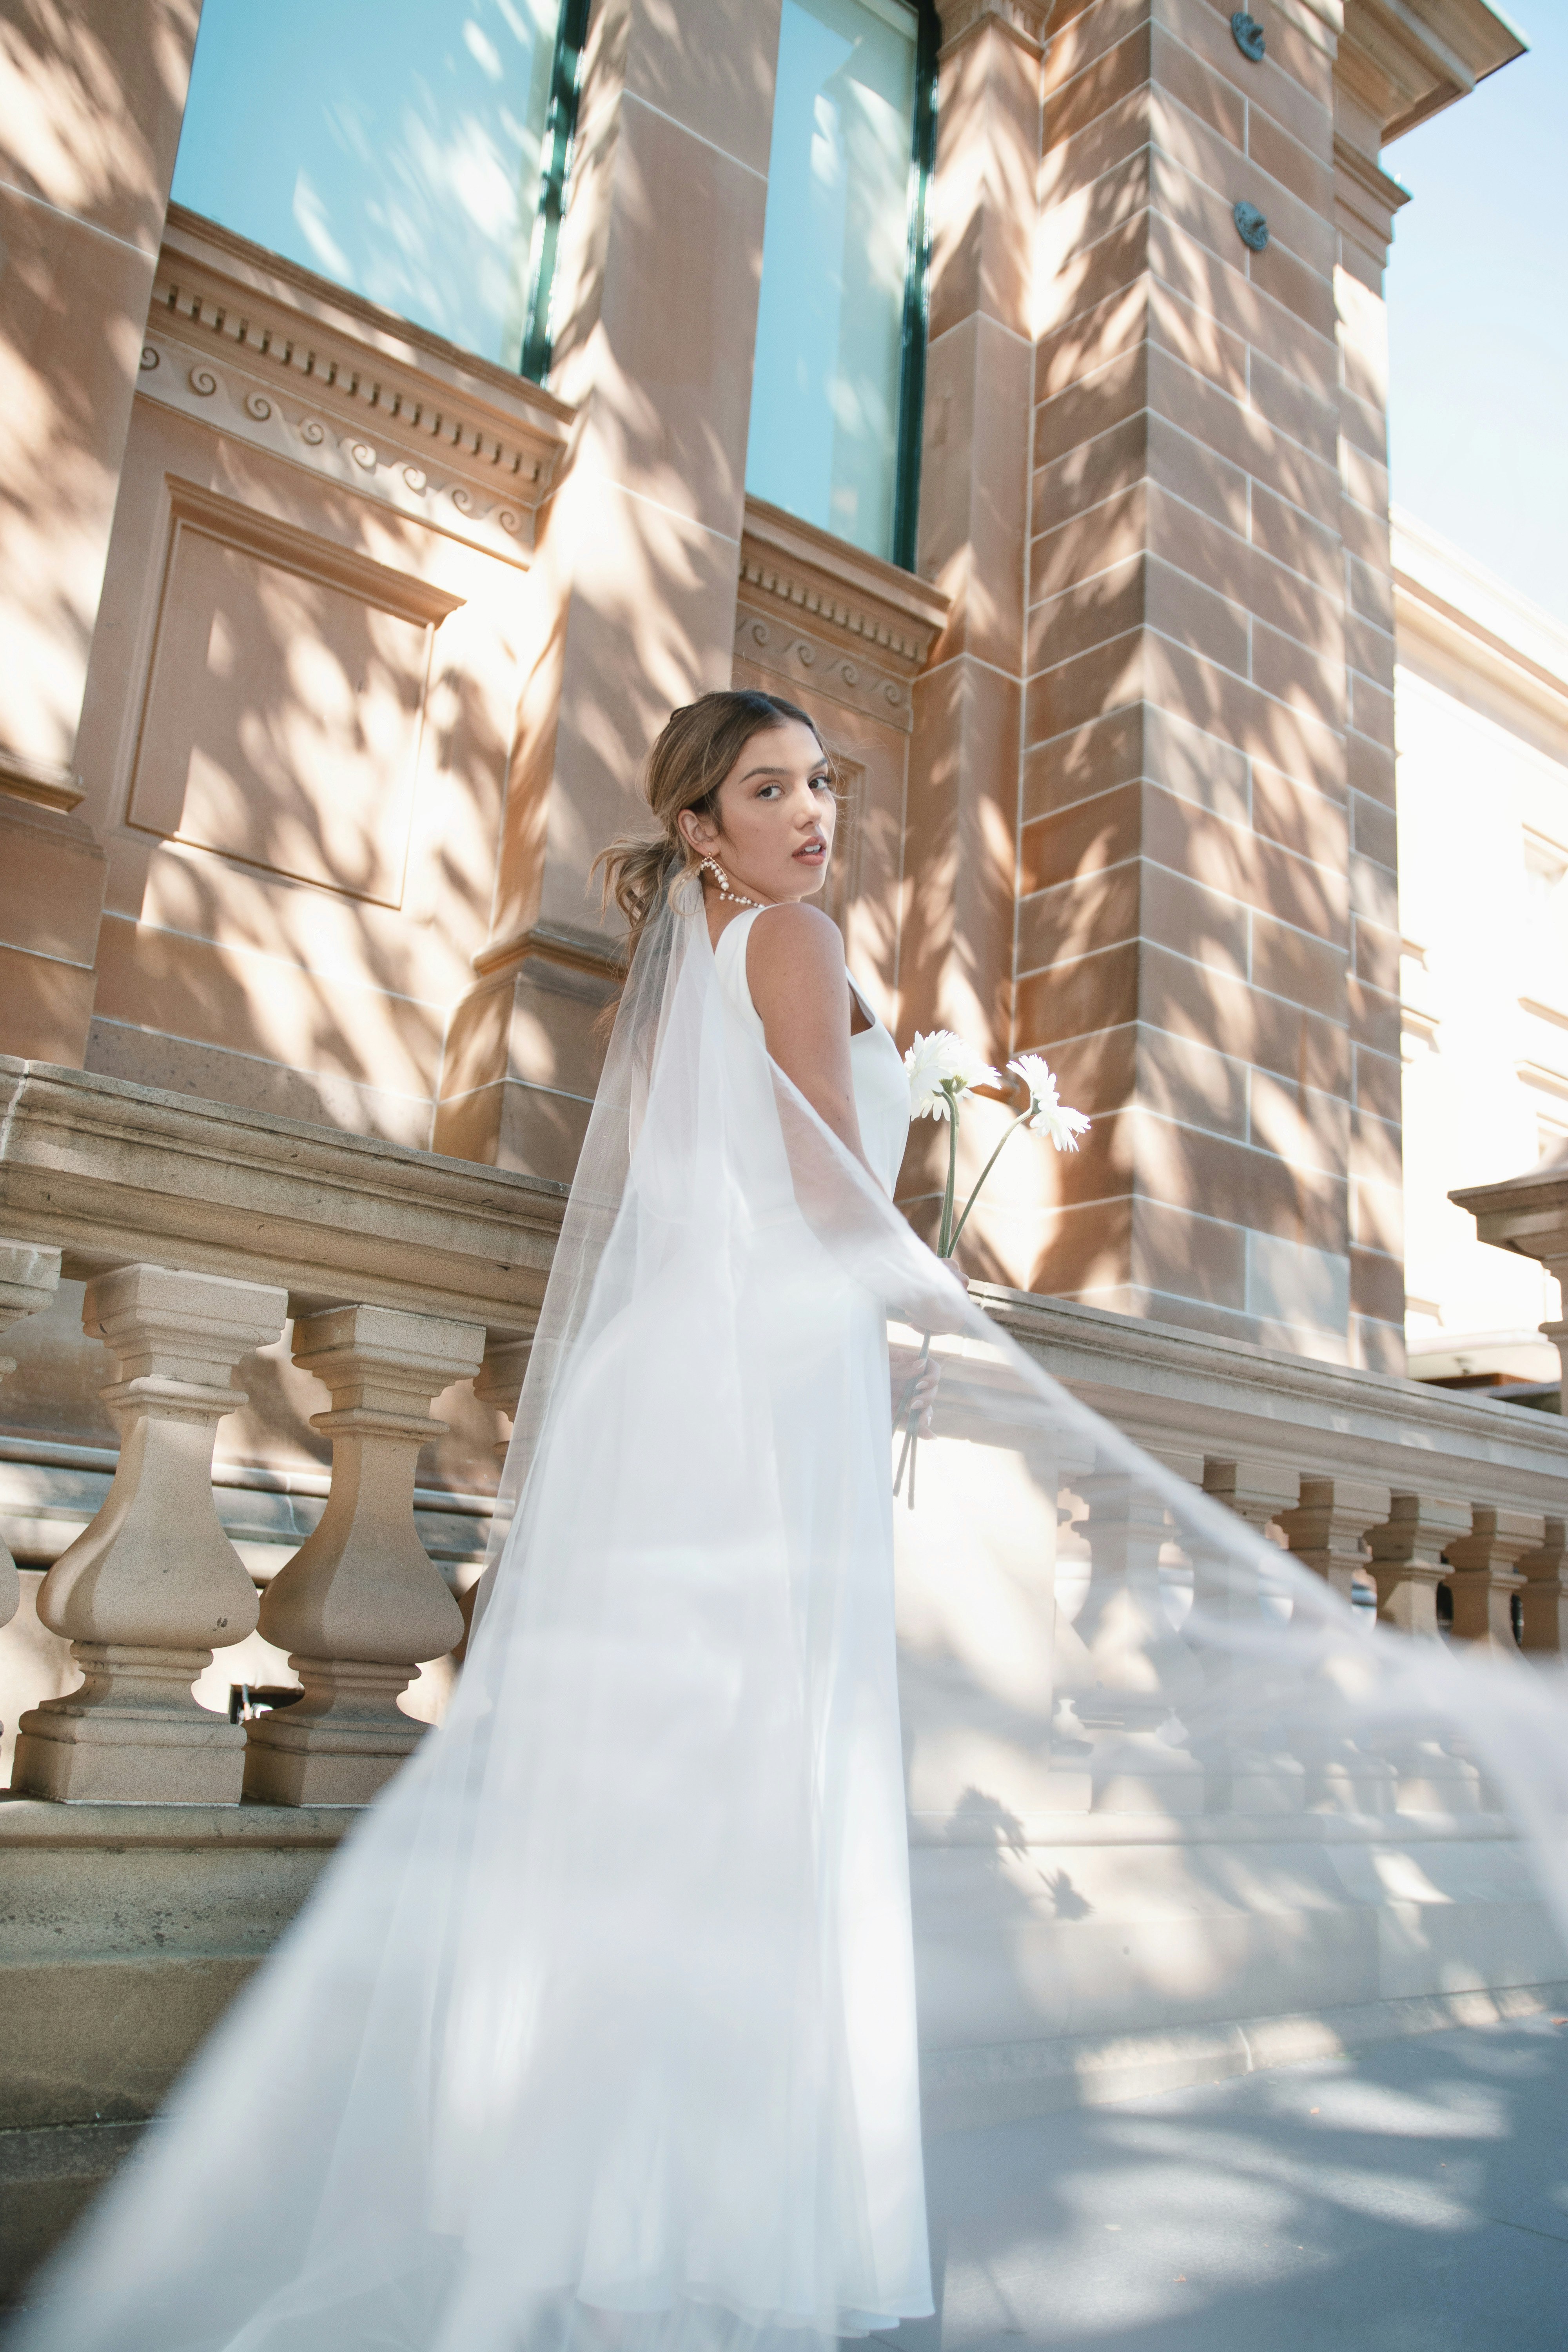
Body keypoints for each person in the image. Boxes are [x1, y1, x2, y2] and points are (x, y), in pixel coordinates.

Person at [13, 692, 1568, 2352]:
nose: (812, 811)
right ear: (701, 824)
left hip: (679, 1375)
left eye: (821, 781)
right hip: (766, 1385)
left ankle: (589, 2208)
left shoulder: (690, 944)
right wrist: (941, 1313)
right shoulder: (794, 938)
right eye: (770, 787)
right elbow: (832, 1188)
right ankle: (691, 2223)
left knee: (647, 1788)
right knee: (757, 1776)